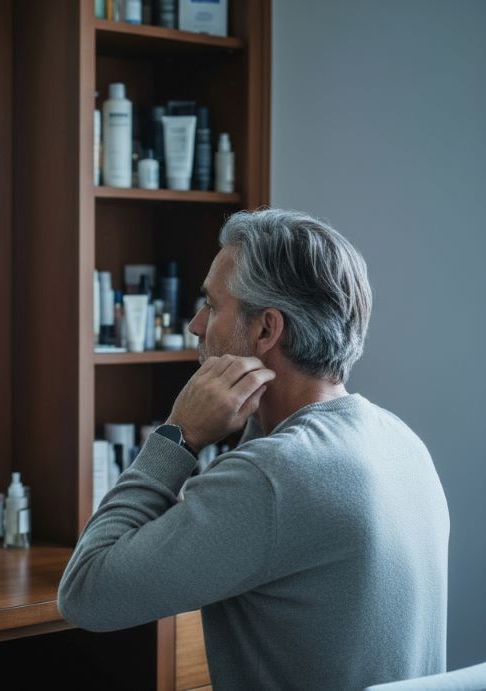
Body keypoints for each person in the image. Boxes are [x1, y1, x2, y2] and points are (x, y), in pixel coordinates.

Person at [58, 209, 449, 689]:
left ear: (266, 330)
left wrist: (178, 434)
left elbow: (85, 594)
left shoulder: (270, 479)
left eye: (211, 304)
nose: (196, 326)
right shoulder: (399, 441)